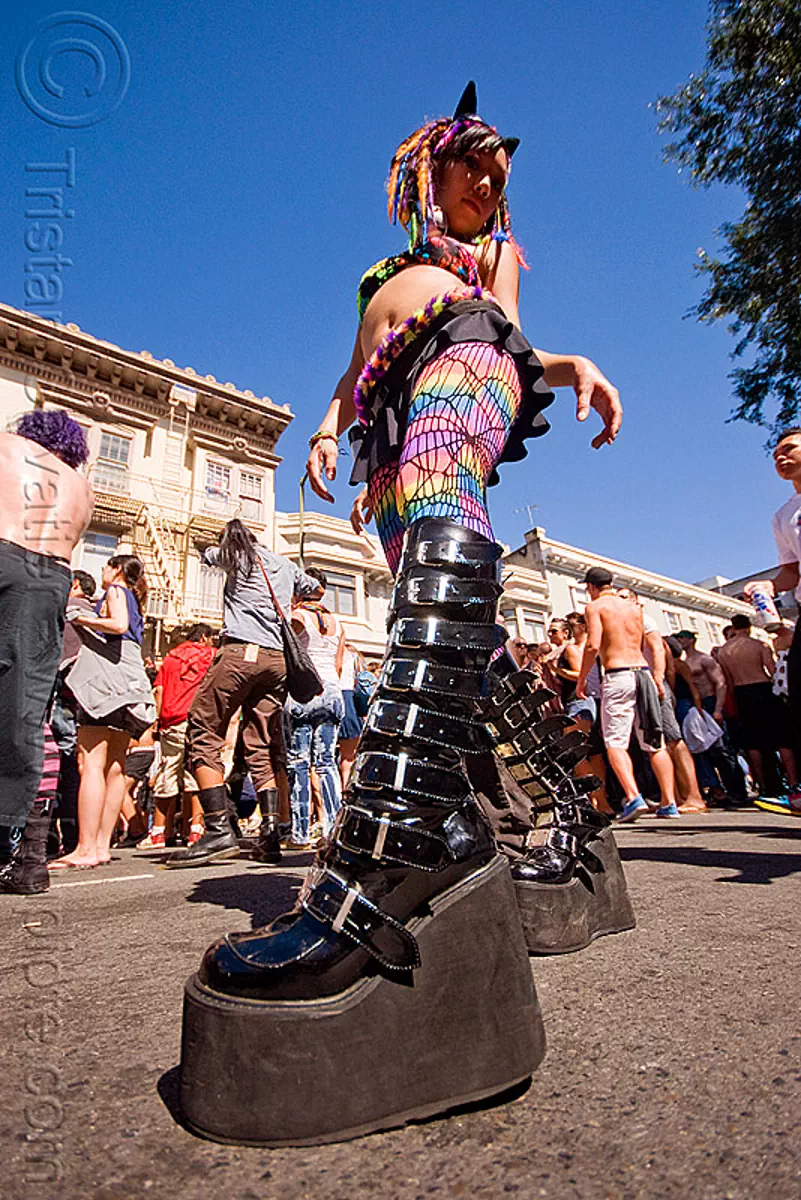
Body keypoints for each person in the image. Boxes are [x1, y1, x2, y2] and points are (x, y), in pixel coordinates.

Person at [188, 81, 623, 1144]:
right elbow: (352, 370)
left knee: (444, 521)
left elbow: (511, 345)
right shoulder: (387, 272)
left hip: (463, 369)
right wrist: (332, 431)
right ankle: (561, 812)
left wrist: (568, 368)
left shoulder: (487, 268)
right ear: (431, 167)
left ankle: (402, 838)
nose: (486, 185)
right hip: (386, 425)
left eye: (500, 178)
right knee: (447, 634)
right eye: (474, 164)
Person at [166, 519, 320, 868]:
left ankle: (218, 828)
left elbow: (205, 554)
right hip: (276, 660)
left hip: (240, 654)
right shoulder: (283, 563)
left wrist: (217, 547)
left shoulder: (234, 554)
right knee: (262, 744)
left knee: (203, 730)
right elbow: (314, 587)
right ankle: (269, 834)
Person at [0, 411, 93, 841]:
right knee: (25, 703)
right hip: (50, 577)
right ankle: (9, 833)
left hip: (4, 549)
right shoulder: (82, 488)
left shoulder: (8, 447)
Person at [51, 555, 156, 869]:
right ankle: (101, 846)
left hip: (105, 684)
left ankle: (85, 847)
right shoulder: (135, 600)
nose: (102, 571)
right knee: (114, 768)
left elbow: (117, 624)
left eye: (107, 566)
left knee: (91, 764)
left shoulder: (116, 592)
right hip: (131, 684)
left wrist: (81, 619)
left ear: (118, 570)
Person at [577, 567, 677, 821]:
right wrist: (658, 676)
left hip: (618, 673)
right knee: (654, 741)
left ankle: (633, 798)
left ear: (590, 587)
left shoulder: (596, 607)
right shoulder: (635, 608)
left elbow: (593, 644)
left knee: (615, 742)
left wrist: (582, 679)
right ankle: (669, 801)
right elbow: (653, 645)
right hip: (642, 673)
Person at [138, 623, 216, 850]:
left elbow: (160, 692)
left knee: (168, 773)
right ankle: (196, 831)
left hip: (172, 720)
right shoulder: (210, 657)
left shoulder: (170, 660)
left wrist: (157, 723)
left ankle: (160, 831)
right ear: (203, 637)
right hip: (200, 719)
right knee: (196, 775)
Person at [284, 566, 345, 848]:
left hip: (304, 693)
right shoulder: (338, 622)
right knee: (327, 762)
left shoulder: (297, 617)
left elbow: (289, 652)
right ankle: (332, 828)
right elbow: (339, 665)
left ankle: (299, 832)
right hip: (332, 691)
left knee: (299, 762)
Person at [717, 613, 798, 804]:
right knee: (782, 738)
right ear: (749, 626)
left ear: (734, 628)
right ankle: (793, 782)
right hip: (763, 688)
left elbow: (727, 680)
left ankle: (763, 785)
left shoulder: (724, 651)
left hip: (741, 693)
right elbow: (771, 669)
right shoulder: (758, 645)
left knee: (753, 743)